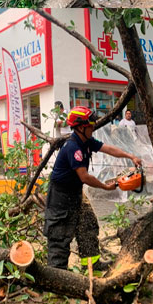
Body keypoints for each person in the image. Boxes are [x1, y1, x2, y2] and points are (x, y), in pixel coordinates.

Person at [45, 107, 143, 271]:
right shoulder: (73, 147)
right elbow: (85, 177)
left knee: (88, 225)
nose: (93, 127)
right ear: (80, 127)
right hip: (60, 196)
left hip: (76, 193)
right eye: (90, 125)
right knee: (59, 235)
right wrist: (105, 187)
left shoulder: (86, 141)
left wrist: (130, 156)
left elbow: (109, 149)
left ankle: (92, 267)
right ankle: (57, 275)